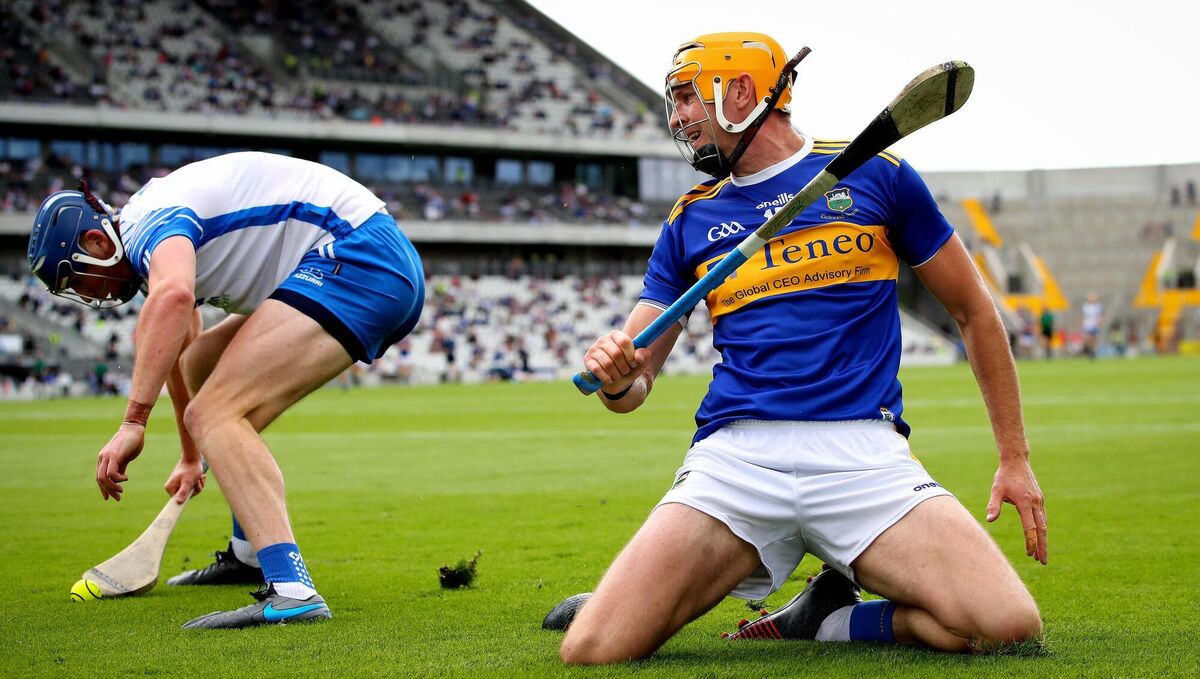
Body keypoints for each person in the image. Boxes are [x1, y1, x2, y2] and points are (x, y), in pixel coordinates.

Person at [547, 33, 1046, 663]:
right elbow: (633, 384)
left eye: (688, 97)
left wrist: (1014, 458)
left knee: (1007, 626)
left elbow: (974, 312)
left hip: (863, 456)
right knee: (592, 649)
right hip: (737, 461)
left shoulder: (879, 175)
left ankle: (832, 620)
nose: (677, 117)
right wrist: (618, 374)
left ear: (741, 91)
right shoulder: (689, 218)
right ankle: (629, 598)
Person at [27, 152, 425, 629]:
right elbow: (181, 342)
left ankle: (293, 591)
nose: (89, 294)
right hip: (361, 260)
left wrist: (134, 421)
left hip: (358, 259)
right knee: (203, 366)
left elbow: (174, 299)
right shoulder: (148, 235)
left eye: (76, 277)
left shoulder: (148, 227)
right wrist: (191, 457)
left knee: (214, 415)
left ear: (95, 241)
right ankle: (249, 553)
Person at [1080, 293, 1104, 358]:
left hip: (1095, 324)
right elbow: (1083, 315)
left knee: (1093, 338)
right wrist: (1081, 323)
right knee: (1087, 338)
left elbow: (1100, 315)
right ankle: (1088, 350)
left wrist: (1100, 322)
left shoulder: (1098, 306)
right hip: (1087, 324)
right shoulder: (1085, 306)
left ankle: (1093, 351)